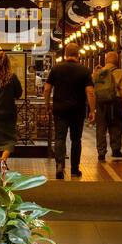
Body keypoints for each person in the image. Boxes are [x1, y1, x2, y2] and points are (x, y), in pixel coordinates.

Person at [44, 43, 95, 180]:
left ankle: (60, 165)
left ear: (65, 54)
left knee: (60, 138)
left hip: (59, 109)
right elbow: (90, 92)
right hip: (77, 110)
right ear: (78, 54)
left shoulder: (56, 69)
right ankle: (74, 169)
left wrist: (47, 104)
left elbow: (47, 89)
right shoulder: (84, 71)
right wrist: (92, 110)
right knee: (76, 139)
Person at [92, 49, 122, 161]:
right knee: (115, 126)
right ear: (116, 61)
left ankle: (101, 152)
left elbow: (93, 89)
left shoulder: (98, 72)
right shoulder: (119, 72)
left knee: (101, 128)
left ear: (106, 60)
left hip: (100, 103)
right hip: (115, 102)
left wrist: (92, 108)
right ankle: (116, 150)